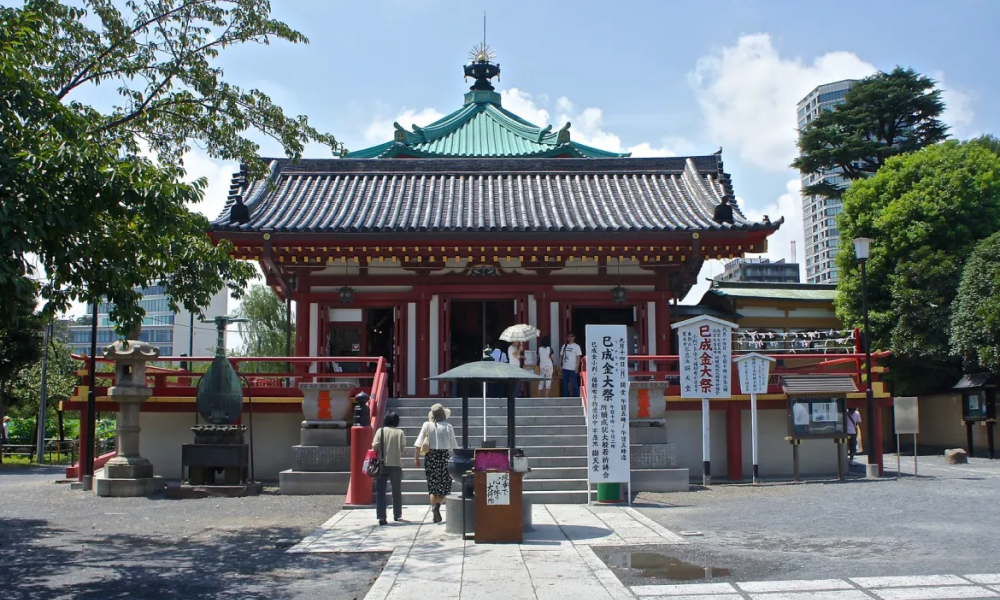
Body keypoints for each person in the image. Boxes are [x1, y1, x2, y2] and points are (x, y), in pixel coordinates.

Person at [414, 403, 458, 523]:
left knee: (432, 487)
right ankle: (438, 506)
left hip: (430, 457)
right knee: (445, 487)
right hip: (444, 456)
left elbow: (418, 443)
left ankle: (434, 508)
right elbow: (454, 445)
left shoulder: (426, 425)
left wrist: (416, 458)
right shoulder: (448, 426)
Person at [371, 411, 406, 525]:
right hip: (396, 464)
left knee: (381, 490)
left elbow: (374, 446)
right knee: (396, 490)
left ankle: (381, 516)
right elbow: (402, 450)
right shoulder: (400, 432)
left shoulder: (380, 431)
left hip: (382, 464)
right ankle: (397, 513)